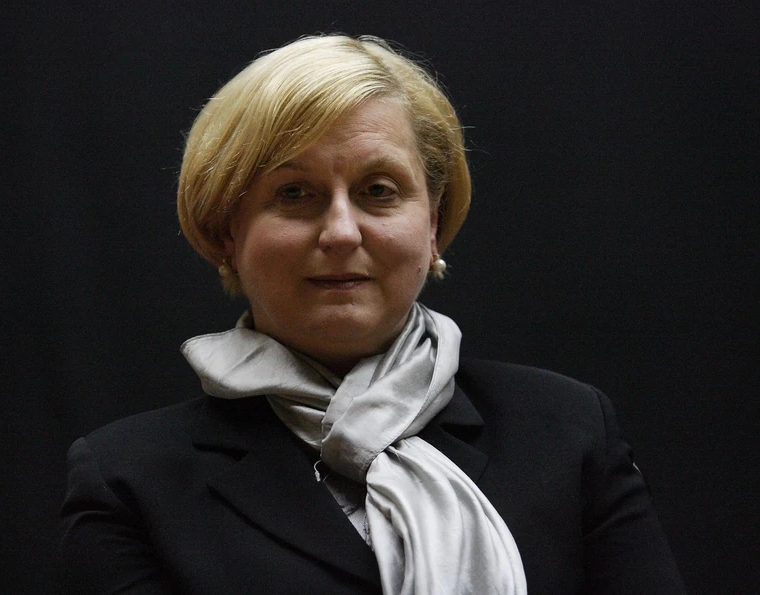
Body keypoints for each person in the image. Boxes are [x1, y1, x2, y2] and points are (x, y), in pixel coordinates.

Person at [58, 34, 686, 594]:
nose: (340, 231)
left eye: (378, 191)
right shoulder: (128, 480)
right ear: (227, 230)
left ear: (432, 223)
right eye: (294, 193)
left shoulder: (569, 432)